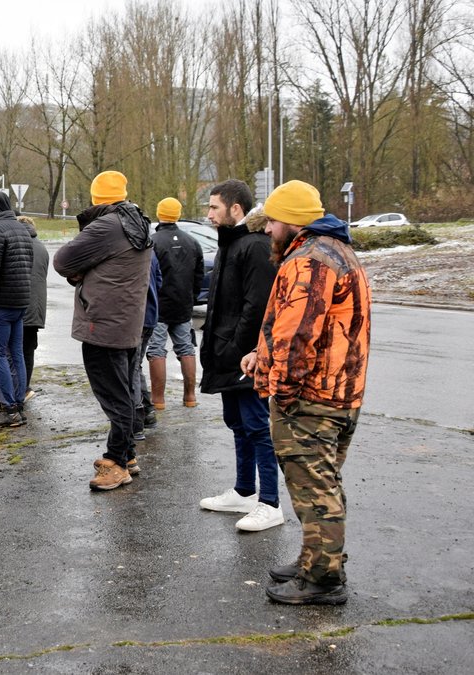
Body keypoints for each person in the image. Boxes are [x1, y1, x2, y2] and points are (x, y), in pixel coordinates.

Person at [240, 180, 372, 605]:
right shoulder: (335, 251)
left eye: (273, 221)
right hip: (338, 394)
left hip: (312, 399)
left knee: (315, 491)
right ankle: (315, 559)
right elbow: (304, 326)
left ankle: (323, 580)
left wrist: (282, 393)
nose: (267, 229)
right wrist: (260, 355)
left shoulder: (309, 261)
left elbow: (297, 337)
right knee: (321, 485)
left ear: (292, 222)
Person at [53, 170, 152, 491]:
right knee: (123, 390)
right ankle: (128, 454)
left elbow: (62, 261)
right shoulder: (137, 221)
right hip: (126, 321)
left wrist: (82, 273)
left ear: (97, 198)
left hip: (103, 324)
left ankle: (117, 462)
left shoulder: (108, 226)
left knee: (114, 396)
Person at [198, 180, 282, 532]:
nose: (209, 214)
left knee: (257, 426)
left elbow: (257, 307)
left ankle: (270, 503)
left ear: (236, 209)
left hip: (246, 356)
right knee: (238, 422)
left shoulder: (256, 245)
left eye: (214, 207)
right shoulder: (232, 242)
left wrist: (240, 349)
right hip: (227, 353)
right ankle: (245, 491)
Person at [0, 191, 33, 429]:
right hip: (21, 302)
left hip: (1, 304)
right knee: (17, 353)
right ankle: (18, 404)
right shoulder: (23, 229)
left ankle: (8, 409)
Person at [147, 197, 204, 410]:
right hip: (183, 305)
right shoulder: (192, 242)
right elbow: (199, 275)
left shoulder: (153, 242)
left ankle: (158, 400)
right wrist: (191, 298)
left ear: (159, 213)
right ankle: (190, 397)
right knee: (186, 348)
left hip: (159, 306)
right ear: (178, 214)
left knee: (156, 349)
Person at [131, 252, 161, 449]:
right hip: (150, 315)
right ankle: (147, 411)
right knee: (136, 366)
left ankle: (137, 420)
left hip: (136, 318)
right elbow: (159, 281)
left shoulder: (126, 247)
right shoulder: (150, 250)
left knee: (131, 368)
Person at [19, 216, 49, 402]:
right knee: (28, 349)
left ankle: (18, 389)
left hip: (19, 304)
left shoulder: (18, 245)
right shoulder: (42, 247)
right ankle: (25, 388)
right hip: (36, 308)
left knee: (15, 350)